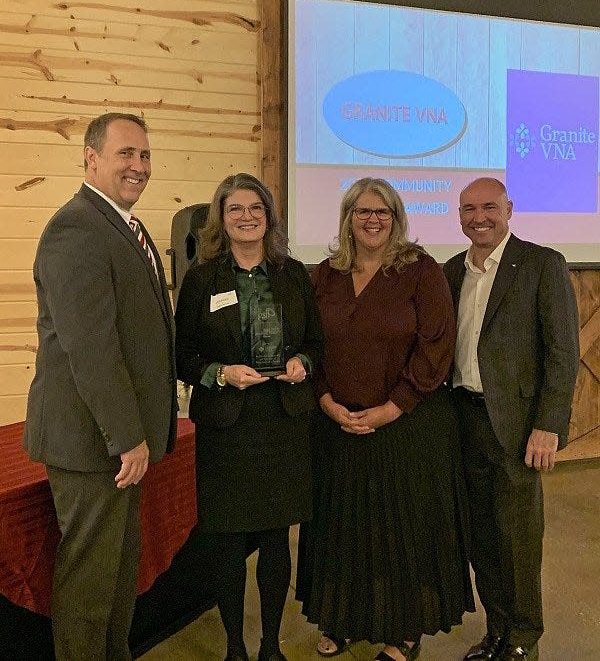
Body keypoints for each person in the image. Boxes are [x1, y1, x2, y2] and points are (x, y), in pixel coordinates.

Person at [297, 177, 474, 661]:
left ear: (395, 219)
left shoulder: (421, 271)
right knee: (343, 530)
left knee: (400, 532)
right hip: (337, 425)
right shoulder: (325, 275)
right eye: (362, 212)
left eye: (383, 212)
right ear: (348, 218)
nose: (372, 220)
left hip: (406, 426)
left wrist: (392, 407)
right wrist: (327, 401)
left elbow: (436, 347)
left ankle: (403, 631)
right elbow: (308, 343)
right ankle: (344, 619)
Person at [24, 112, 178, 660]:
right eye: (125, 154)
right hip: (94, 444)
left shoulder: (123, 225)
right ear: (91, 159)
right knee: (90, 586)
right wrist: (126, 436)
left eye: (144, 156)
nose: (138, 166)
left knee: (116, 580)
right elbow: (90, 349)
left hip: (115, 441)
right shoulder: (76, 229)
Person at [175, 173, 323, 661]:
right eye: (234, 208)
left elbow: (315, 343)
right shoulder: (201, 279)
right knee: (228, 540)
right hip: (226, 425)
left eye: (255, 208)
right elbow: (184, 357)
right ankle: (235, 647)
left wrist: (303, 362)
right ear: (220, 216)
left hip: (283, 422)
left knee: (277, 538)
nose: (246, 217)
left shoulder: (293, 273)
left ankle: (269, 646)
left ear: (269, 217)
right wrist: (220, 373)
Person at [444, 177, 580, 661]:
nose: (478, 217)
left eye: (488, 207)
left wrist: (549, 424)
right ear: (458, 216)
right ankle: (497, 631)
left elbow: (563, 353)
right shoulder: (450, 272)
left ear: (509, 209)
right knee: (480, 536)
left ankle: (523, 639)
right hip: (461, 420)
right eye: (468, 209)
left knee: (517, 540)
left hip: (518, 427)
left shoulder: (541, 264)